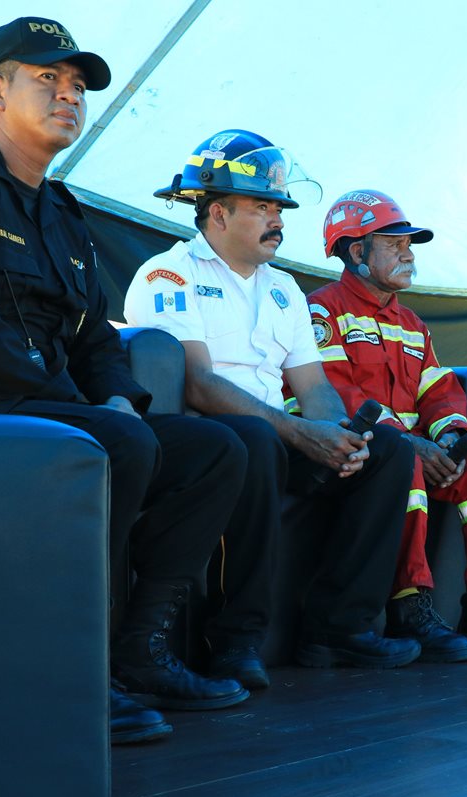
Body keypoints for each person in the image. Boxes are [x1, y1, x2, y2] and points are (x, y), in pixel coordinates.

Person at [0, 17, 253, 745]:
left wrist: (114, 400)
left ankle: (141, 651)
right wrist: (89, 414)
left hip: (44, 407)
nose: (69, 96)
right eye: (48, 79)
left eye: (77, 86)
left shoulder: (62, 214)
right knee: (112, 444)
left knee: (212, 450)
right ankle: (75, 672)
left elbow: (96, 336)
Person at [123, 132, 421, 679]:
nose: (277, 220)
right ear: (216, 213)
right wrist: (297, 432)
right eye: (261, 207)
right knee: (255, 439)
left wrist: (338, 437)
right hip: (214, 447)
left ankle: (341, 627)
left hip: (277, 441)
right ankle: (236, 640)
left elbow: (314, 389)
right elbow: (197, 385)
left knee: (390, 449)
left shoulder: (283, 287)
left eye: (278, 207)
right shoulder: (168, 274)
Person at [306, 189, 467, 661]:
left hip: (418, 450)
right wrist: (412, 446)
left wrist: (450, 438)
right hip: (363, 453)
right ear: (357, 251)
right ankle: (409, 606)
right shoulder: (322, 310)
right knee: (406, 467)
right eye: (394, 243)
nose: (409, 253)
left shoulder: (413, 323)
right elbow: (336, 393)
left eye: (409, 243)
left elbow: (438, 390)